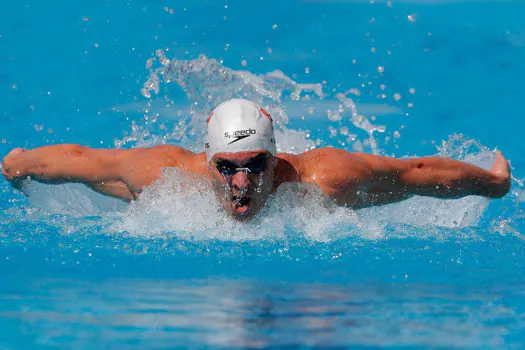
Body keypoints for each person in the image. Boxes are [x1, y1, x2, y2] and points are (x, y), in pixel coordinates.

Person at [2, 99, 511, 221]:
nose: (241, 181)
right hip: (161, 189)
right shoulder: (168, 173)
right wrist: (18, 165)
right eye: (226, 166)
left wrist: (491, 184)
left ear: (275, 158)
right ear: (209, 159)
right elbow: (82, 158)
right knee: (116, 184)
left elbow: (415, 174)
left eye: (255, 165)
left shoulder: (324, 177)